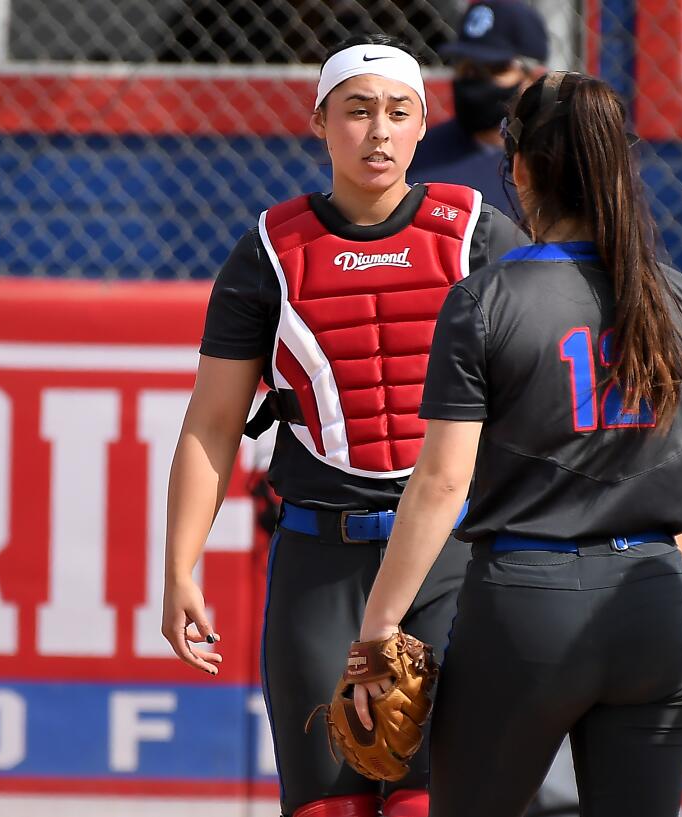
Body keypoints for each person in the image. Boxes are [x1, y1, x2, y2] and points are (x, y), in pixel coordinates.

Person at [353, 71, 682, 817]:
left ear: (523, 169)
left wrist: (379, 627)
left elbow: (440, 484)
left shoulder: (485, 298)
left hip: (526, 602)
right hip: (657, 604)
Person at [161, 34, 527, 817]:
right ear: (321, 121)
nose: (379, 131)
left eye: (399, 112)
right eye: (357, 111)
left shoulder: (479, 236)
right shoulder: (270, 250)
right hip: (319, 555)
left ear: (424, 125)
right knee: (330, 806)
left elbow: (546, 400)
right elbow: (213, 422)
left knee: (436, 802)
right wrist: (179, 566)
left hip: (450, 553)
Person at [409, 0, 548, 221]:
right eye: (467, 67)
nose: (475, 80)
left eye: (495, 69)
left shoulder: (556, 158)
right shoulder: (417, 156)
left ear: (535, 77)